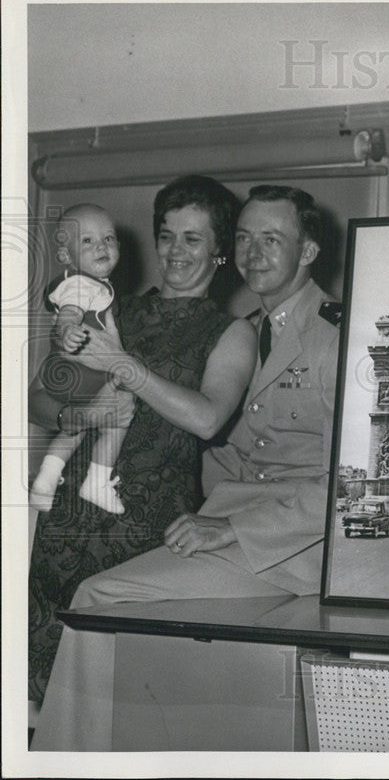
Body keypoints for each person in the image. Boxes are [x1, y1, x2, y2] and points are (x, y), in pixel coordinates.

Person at [31, 184, 341, 751]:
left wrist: (228, 527)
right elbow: (229, 456)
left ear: (310, 251)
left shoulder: (330, 339)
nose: (254, 253)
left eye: (272, 239)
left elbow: (355, 484)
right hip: (190, 522)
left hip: (287, 546)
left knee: (99, 603)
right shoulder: (242, 323)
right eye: (246, 238)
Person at [28, 176, 254, 707]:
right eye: (167, 235)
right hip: (69, 523)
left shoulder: (231, 331)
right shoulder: (108, 307)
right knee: (49, 699)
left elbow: (205, 419)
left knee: (132, 701)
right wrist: (85, 415)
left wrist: (122, 366)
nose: (176, 251)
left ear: (220, 250)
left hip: (149, 534)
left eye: (193, 239)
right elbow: (38, 401)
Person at [30, 204, 133, 514]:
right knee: (119, 418)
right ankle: (98, 481)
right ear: (65, 256)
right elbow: (70, 312)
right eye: (87, 241)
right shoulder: (82, 283)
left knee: (76, 426)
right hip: (80, 370)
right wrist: (67, 332)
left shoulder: (90, 283)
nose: (101, 246)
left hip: (65, 375)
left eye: (109, 238)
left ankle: (45, 481)